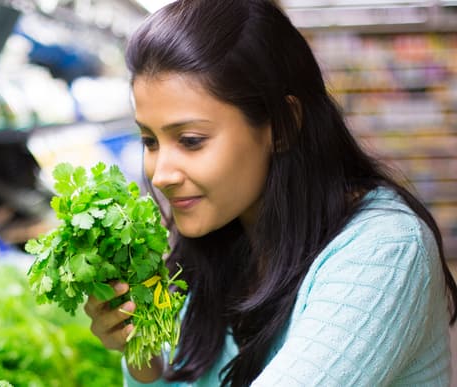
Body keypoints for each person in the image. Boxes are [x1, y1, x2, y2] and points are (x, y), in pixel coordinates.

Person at [83, 0, 457, 386]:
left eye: (191, 141)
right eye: (150, 140)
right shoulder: (222, 238)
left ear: (282, 125)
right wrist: (144, 358)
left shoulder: (386, 251)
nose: (160, 174)